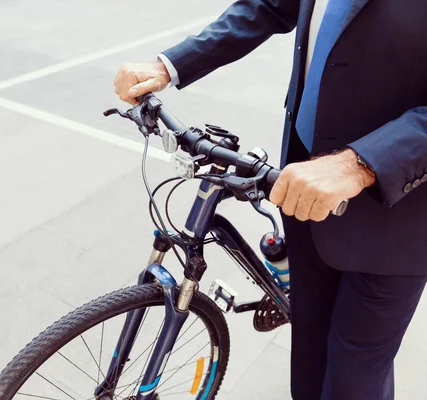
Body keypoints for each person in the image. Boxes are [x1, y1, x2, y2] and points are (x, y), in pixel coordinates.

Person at [113, 0, 427, 399]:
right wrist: (169, 66)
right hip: (303, 179)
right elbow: (271, 5)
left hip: (398, 214)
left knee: (354, 375)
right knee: (310, 358)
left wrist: (359, 164)